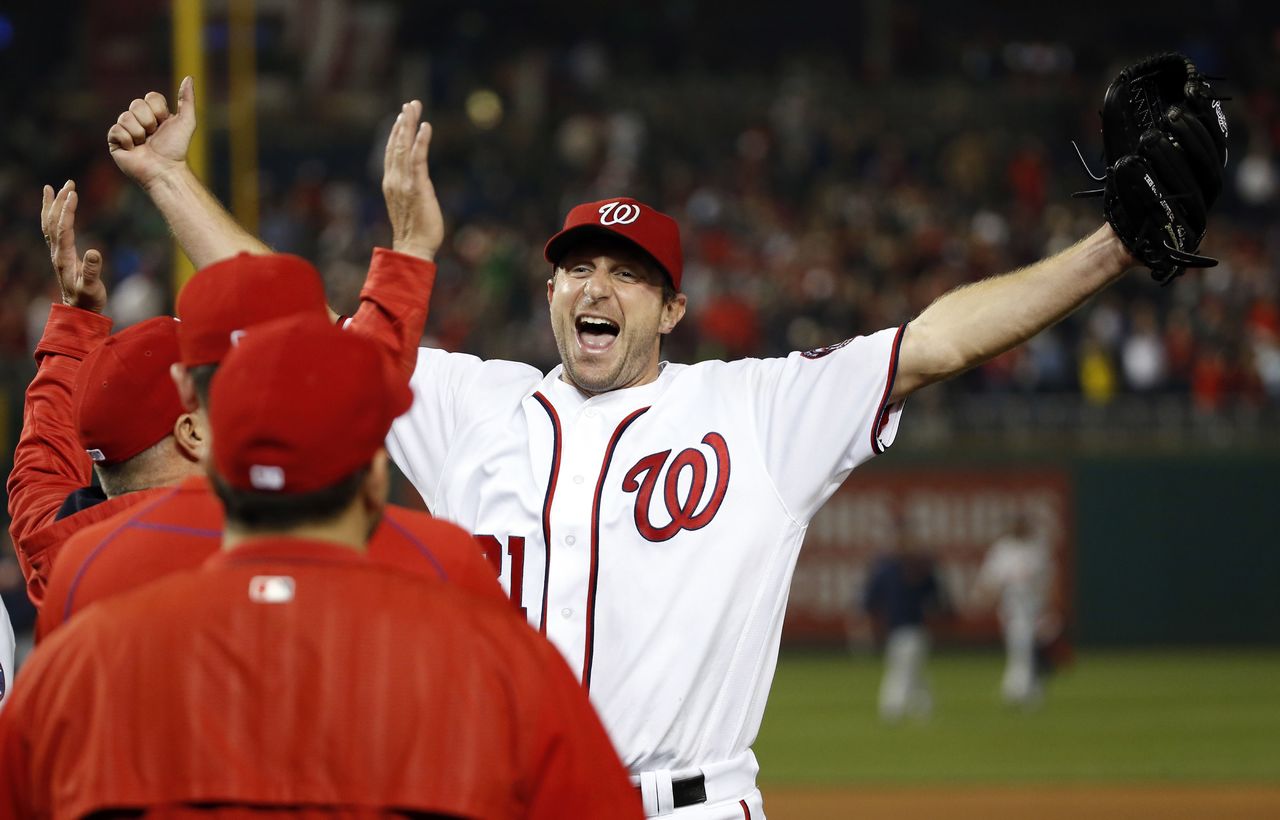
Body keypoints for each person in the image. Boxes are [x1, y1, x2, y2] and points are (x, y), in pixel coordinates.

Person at [113, 77, 1217, 818]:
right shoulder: (471, 407)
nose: (598, 286)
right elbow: (281, 322)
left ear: (671, 310)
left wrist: (1110, 250)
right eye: (579, 267)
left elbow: (933, 341)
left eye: (629, 273)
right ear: (548, 289)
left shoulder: (759, 412)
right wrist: (170, 179)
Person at [0, 316, 642, 818]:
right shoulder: (489, 651)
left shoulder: (73, 656)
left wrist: (69, 330)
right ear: (371, 480)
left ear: (221, 474)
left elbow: (37, 477)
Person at [38, 249, 505, 639]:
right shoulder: (423, 561)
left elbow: (40, 473)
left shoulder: (70, 563)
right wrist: (409, 253)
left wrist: (72, 331)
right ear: (192, 429)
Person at [6, 182, 203, 606]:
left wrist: (76, 322)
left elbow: (42, 469)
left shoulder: (56, 553)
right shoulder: (241, 558)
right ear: (192, 432)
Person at [862, 535, 947, 722]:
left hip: (914, 629)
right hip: (898, 630)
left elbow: (938, 600)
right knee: (911, 671)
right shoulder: (890, 571)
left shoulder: (918, 569)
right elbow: (871, 602)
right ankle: (923, 707)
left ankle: (893, 710)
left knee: (902, 671)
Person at [973, 515, 1054, 707]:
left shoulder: (1037, 548)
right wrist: (984, 596)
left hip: (1036, 607)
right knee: (1020, 647)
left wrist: (1050, 605)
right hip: (1013, 608)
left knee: (1029, 649)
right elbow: (990, 579)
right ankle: (1020, 690)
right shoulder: (1002, 549)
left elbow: (1049, 579)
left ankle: (1025, 689)